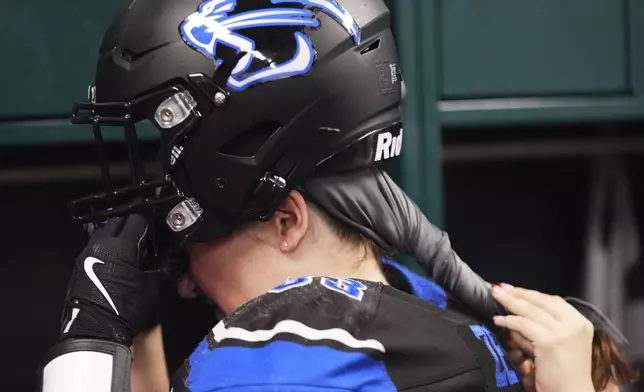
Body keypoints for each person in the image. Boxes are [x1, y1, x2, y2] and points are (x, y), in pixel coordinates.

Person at [38, 0, 638, 391]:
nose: (185, 277)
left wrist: (86, 342)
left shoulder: (278, 357)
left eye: (195, 230)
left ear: (286, 220)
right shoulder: (414, 302)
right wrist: (137, 334)